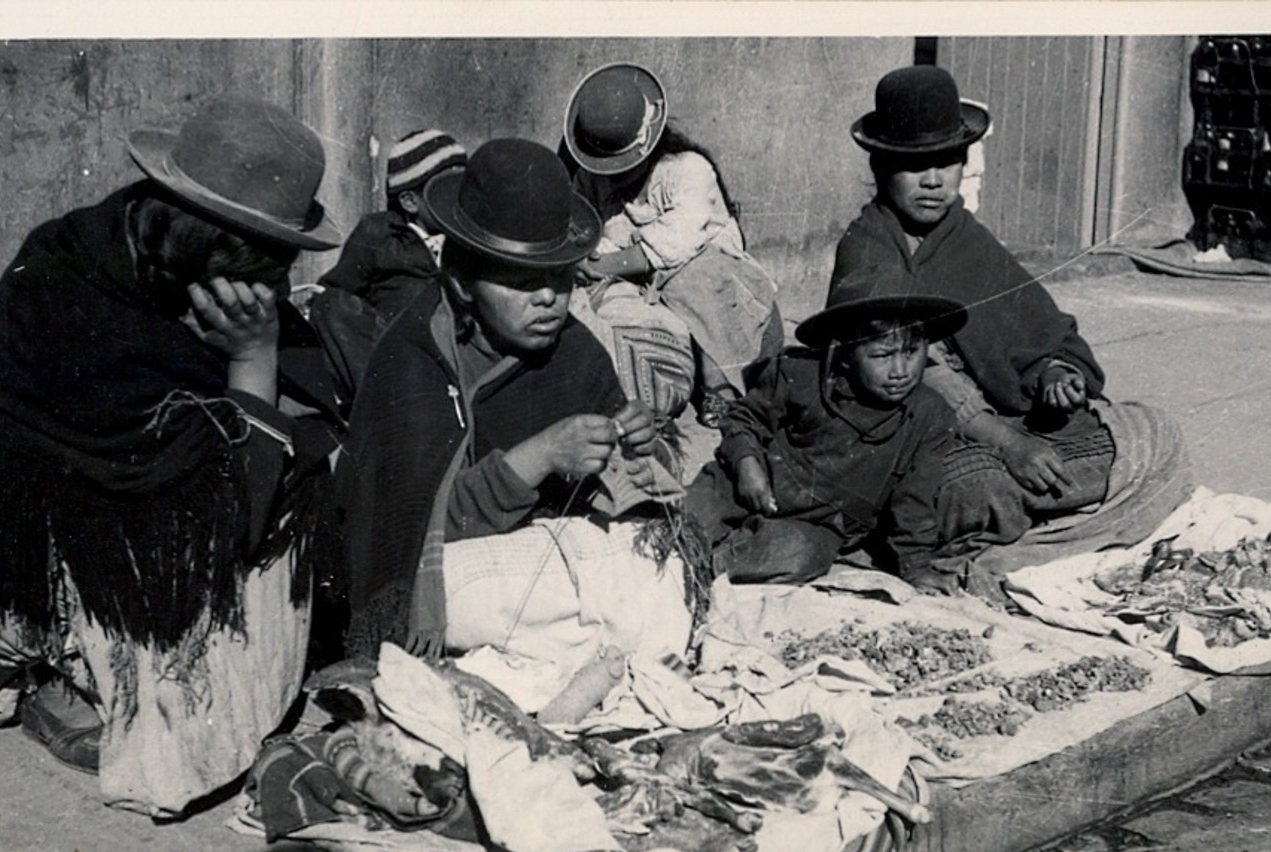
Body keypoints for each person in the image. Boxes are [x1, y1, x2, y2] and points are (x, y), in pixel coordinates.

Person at [0, 97, 344, 816]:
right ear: (231, 262)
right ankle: (82, 674)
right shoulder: (176, 331)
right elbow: (234, 521)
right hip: (10, 603)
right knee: (294, 486)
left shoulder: (68, 249)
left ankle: (58, 667)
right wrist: (255, 358)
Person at [832, 65, 1192, 595]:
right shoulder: (868, 248)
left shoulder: (966, 240)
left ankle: (1024, 520)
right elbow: (910, 376)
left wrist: (1054, 372)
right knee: (976, 488)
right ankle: (1016, 525)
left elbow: (1040, 327)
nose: (934, 180)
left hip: (1005, 422)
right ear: (881, 167)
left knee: (1153, 434)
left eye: (947, 161)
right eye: (914, 166)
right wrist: (1007, 445)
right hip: (914, 437)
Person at [337, 138, 658, 660]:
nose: (549, 298)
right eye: (522, 280)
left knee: (647, 565)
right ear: (462, 283)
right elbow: (409, 536)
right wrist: (542, 457)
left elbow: (629, 492)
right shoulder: (412, 361)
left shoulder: (574, 351)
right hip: (463, 575)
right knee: (463, 596)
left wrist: (637, 450)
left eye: (561, 276)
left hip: (545, 567)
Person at [682, 268, 966, 587]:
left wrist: (915, 567)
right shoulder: (798, 376)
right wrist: (747, 463)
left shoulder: (930, 415)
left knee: (799, 555)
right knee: (686, 523)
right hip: (746, 483)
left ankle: (701, 570)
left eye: (912, 352)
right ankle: (679, 554)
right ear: (844, 355)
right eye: (882, 355)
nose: (900, 370)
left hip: (820, 522)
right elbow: (743, 418)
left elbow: (915, 500)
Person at [561, 62, 784, 427]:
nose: (615, 174)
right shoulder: (591, 179)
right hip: (637, 282)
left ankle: (723, 387)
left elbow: (669, 248)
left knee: (693, 280)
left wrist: (599, 265)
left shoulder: (687, 170)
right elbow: (584, 227)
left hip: (708, 281)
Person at [307, 129, 469, 419]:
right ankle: (386, 408)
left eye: (463, 186)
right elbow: (337, 288)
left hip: (448, 348)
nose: (459, 201)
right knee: (331, 305)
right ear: (410, 202)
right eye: (446, 190)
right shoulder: (379, 235)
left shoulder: (466, 239)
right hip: (392, 353)